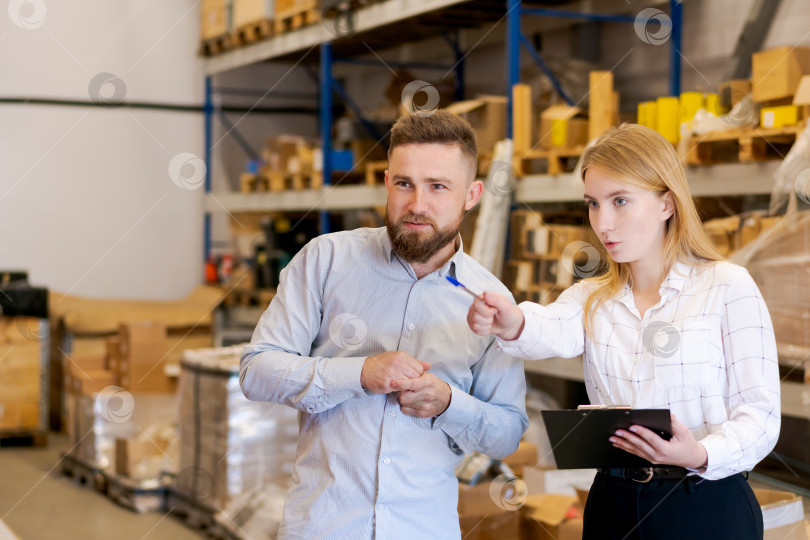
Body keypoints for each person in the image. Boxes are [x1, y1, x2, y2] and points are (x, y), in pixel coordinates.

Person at [467, 123, 780, 540]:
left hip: (705, 504)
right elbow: (551, 326)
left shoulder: (726, 287)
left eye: (620, 201)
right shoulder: (591, 297)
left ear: (667, 203)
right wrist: (513, 321)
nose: (603, 223)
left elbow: (760, 416)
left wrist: (699, 453)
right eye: (593, 204)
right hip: (613, 506)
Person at [240, 110, 528, 540]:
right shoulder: (325, 261)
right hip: (323, 528)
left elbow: (507, 433)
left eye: (438, 186)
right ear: (387, 182)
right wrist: (360, 373)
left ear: (472, 195)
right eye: (404, 184)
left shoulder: (491, 302)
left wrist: (449, 403)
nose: (417, 205)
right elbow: (256, 371)